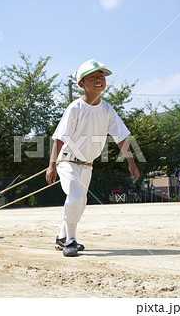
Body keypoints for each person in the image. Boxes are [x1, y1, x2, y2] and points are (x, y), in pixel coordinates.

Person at [46, 59, 140, 257]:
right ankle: (70, 241)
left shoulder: (107, 109)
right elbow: (59, 138)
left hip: (87, 165)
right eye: (93, 77)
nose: (99, 80)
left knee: (81, 203)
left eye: (102, 76)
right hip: (67, 161)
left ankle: (62, 236)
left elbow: (121, 137)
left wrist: (131, 162)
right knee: (74, 197)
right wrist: (52, 165)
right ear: (81, 84)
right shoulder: (75, 108)